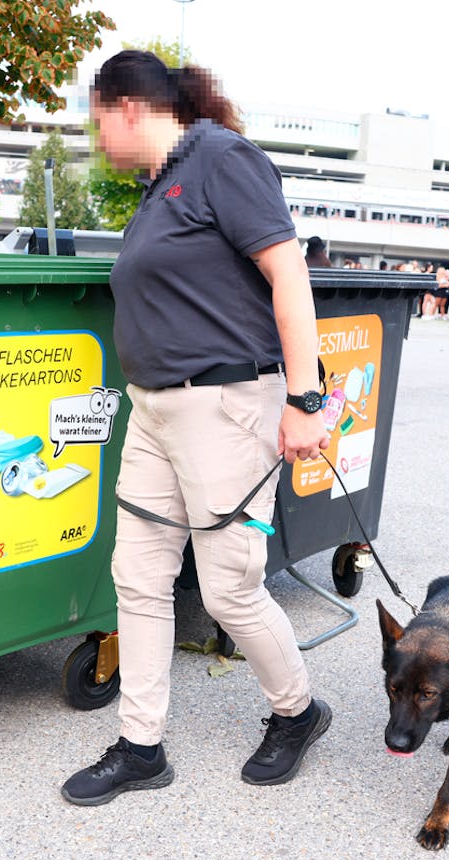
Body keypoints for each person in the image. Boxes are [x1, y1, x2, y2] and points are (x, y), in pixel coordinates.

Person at [62, 50, 332, 807]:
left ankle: (297, 709)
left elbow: (289, 275)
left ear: (126, 107)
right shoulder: (156, 191)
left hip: (226, 406)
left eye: (96, 122)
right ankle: (140, 745)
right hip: (153, 408)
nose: (97, 138)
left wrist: (304, 402)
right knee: (139, 578)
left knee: (228, 588)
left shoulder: (221, 159)